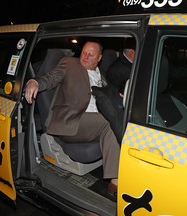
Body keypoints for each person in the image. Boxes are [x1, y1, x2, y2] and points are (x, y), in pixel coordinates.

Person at [25, 40, 120, 196]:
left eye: (91, 54)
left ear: (99, 58)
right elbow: (51, 77)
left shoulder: (101, 76)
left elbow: (108, 96)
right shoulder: (70, 64)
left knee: (118, 118)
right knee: (109, 122)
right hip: (71, 120)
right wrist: (35, 82)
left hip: (92, 122)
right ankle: (115, 181)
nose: (85, 57)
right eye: (83, 52)